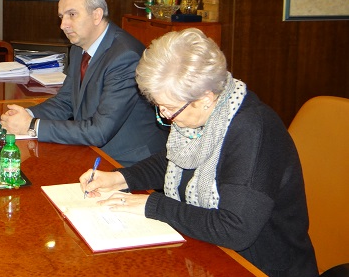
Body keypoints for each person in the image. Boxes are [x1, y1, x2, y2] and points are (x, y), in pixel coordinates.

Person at [80, 28, 318, 277]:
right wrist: (120, 178)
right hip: (211, 253)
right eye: (159, 106)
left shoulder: (253, 131)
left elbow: (235, 229)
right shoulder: (202, 115)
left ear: (205, 98)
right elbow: (174, 161)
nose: (164, 116)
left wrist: (153, 205)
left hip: (261, 265)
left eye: (169, 108)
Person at [1, 0, 167, 166]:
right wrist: (25, 115)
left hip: (129, 162)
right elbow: (65, 102)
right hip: (92, 150)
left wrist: (32, 125)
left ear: (96, 15)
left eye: (72, 14)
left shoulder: (125, 56)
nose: (63, 25)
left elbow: (99, 131)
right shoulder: (78, 48)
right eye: (61, 17)